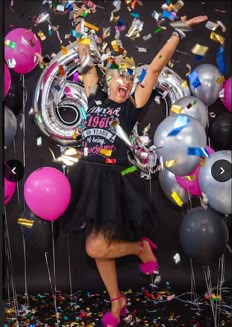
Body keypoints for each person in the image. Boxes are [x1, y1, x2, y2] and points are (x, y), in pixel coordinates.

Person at [66, 4, 208, 327]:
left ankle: (139, 248)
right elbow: (85, 55)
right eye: (122, 76)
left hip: (109, 183)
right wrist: (78, 20)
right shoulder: (94, 95)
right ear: (110, 76)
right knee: (98, 247)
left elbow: (155, 70)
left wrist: (176, 32)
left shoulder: (131, 107)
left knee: (96, 246)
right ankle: (117, 301)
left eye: (131, 79)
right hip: (87, 181)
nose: (126, 82)